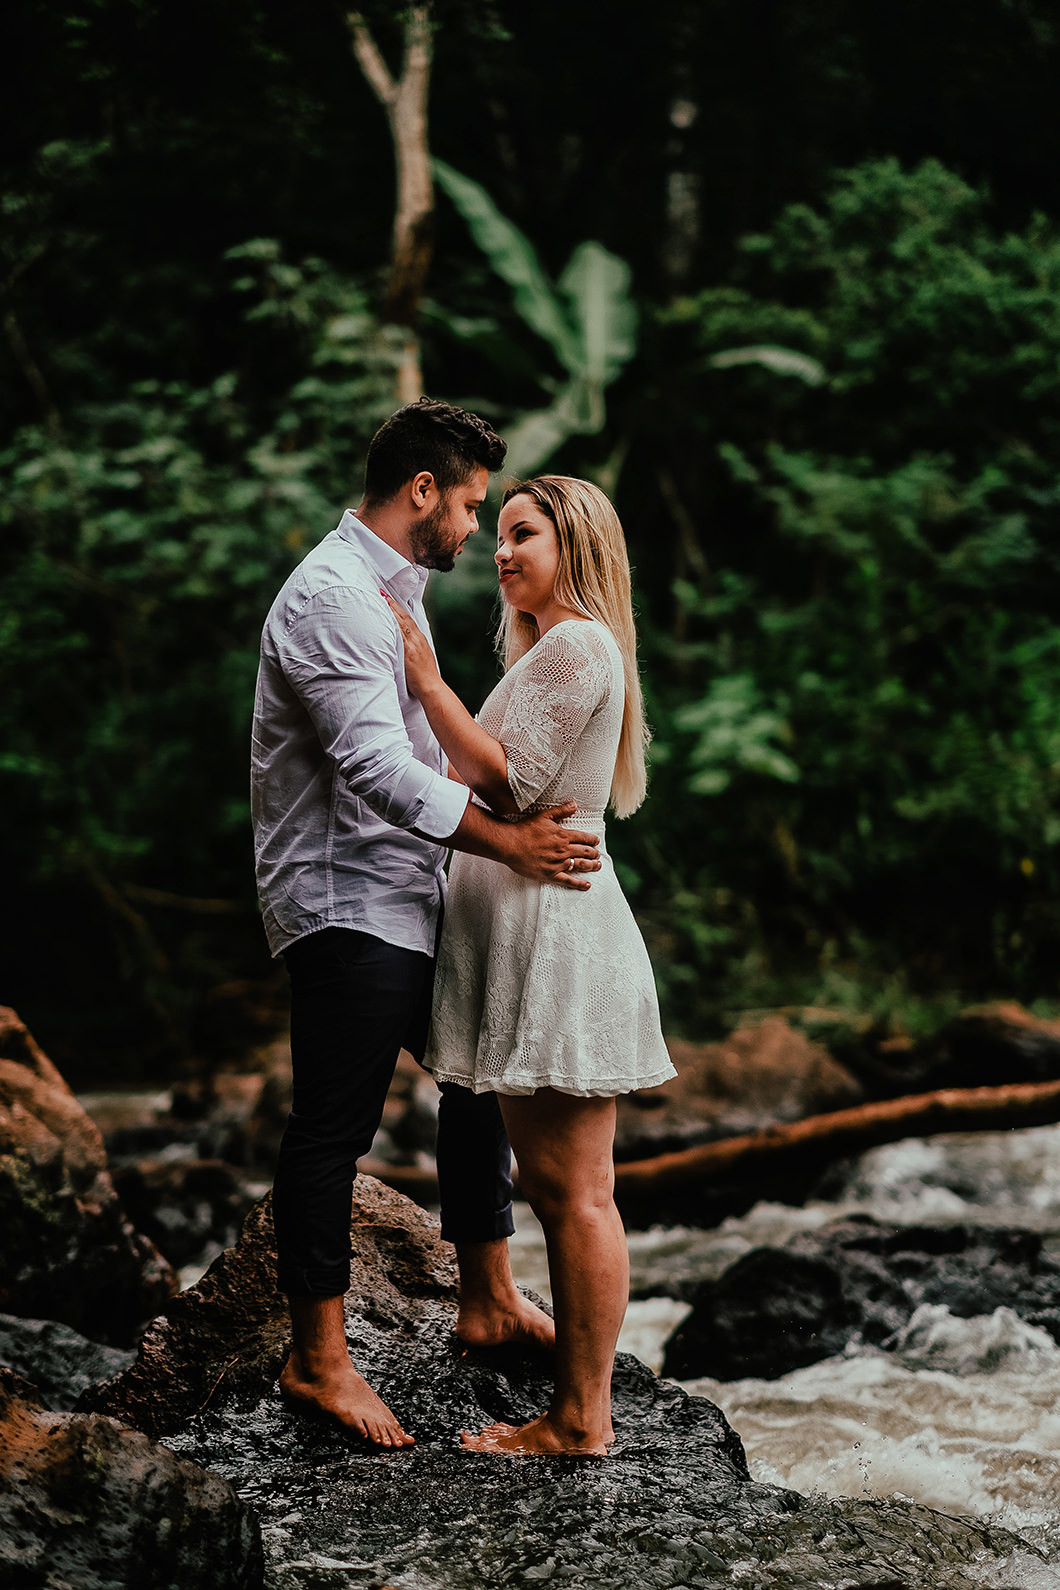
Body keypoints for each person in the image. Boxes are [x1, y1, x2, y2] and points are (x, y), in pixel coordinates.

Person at [251, 403, 603, 1450]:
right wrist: (511, 844)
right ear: (419, 492)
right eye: (466, 504)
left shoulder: (392, 595)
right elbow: (373, 769)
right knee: (331, 1128)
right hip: (343, 899)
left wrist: (501, 812)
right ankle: (317, 1361)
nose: (474, 527)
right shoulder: (330, 599)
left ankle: (487, 1298)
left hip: (411, 889)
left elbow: (433, 753)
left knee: (475, 1076)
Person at [383, 474, 675, 1456]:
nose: (501, 551)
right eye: (498, 534)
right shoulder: (552, 649)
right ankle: (572, 1402)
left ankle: (579, 1419)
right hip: (530, 926)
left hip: (554, 931)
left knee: (572, 1191)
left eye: (523, 534)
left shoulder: (579, 643)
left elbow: (499, 777)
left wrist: (425, 683)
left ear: (575, 545)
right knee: (563, 1186)